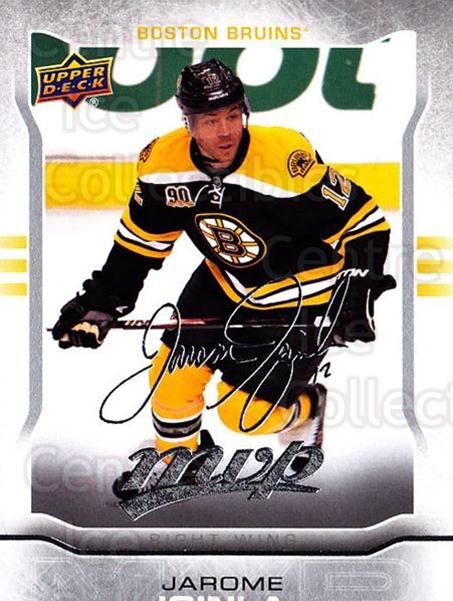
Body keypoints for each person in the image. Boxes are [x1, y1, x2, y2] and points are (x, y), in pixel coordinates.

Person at [52, 58, 395, 471]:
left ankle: (308, 406)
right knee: (171, 381)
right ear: (188, 123)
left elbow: (365, 223)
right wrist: (101, 302)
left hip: (303, 291)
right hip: (225, 281)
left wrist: (356, 294)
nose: (226, 131)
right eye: (211, 120)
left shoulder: (284, 159)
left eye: (233, 115)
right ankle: (177, 460)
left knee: (245, 415)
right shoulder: (162, 165)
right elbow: (138, 246)